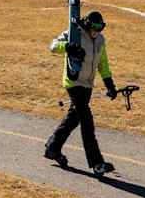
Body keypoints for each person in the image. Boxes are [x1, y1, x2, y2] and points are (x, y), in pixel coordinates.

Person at [44, 11, 117, 176]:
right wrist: (67, 46)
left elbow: (103, 64)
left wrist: (109, 85)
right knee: (86, 120)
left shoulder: (100, 40)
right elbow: (53, 46)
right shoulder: (74, 33)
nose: (97, 31)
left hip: (87, 85)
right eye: (95, 27)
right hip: (73, 82)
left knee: (74, 118)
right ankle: (96, 163)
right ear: (88, 24)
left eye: (101, 28)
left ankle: (52, 148)